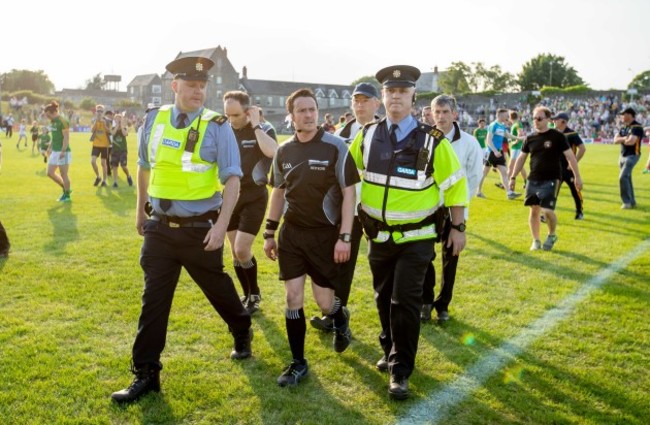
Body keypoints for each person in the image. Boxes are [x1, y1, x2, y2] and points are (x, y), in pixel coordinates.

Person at [111, 56, 252, 404]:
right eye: (191, 86)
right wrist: (141, 210)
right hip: (159, 229)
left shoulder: (217, 125)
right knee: (153, 301)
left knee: (217, 288)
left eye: (203, 86)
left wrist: (221, 227)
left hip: (200, 230)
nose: (198, 92)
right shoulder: (153, 119)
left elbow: (233, 180)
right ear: (174, 86)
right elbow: (144, 168)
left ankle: (241, 327)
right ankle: (146, 374)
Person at [349, 65, 467, 400]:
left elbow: (455, 187)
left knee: (404, 302)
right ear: (382, 97)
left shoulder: (432, 141)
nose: (396, 97)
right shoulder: (368, 135)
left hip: (416, 239)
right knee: (383, 299)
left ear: (414, 97)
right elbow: (347, 178)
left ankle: (400, 372)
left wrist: (457, 227)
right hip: (379, 237)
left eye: (403, 92)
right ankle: (389, 350)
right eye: (390, 92)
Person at [263, 88, 358, 387]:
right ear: (290, 117)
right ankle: (297, 363)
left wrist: (344, 236)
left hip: (324, 236)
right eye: (302, 110)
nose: (308, 114)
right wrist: (269, 232)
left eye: (312, 109)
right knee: (292, 297)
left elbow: (349, 193)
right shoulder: (283, 151)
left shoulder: (335, 147)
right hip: (292, 234)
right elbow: (277, 193)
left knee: (324, 302)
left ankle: (339, 319)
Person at [311, 82, 382, 332]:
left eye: (365, 100)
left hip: (378, 211)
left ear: (377, 103)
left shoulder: (386, 133)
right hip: (347, 210)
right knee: (340, 264)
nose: (360, 105)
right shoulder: (340, 134)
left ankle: (397, 313)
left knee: (384, 266)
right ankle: (336, 314)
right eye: (356, 100)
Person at [421, 95, 483, 323]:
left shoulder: (469, 143)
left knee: (451, 257)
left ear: (454, 114)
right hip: (427, 210)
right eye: (437, 112)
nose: (440, 117)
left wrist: (460, 218)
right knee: (424, 256)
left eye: (445, 112)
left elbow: (473, 180)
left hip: (452, 212)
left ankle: (443, 304)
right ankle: (426, 302)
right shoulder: (425, 140)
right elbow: (420, 173)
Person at [223, 90, 278, 314]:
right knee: (235, 254)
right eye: (227, 115)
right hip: (229, 196)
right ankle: (247, 296)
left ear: (248, 111)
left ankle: (254, 293)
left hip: (254, 197)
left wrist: (255, 126)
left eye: (235, 115)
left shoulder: (264, 129)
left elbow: (274, 152)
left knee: (242, 249)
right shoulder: (225, 129)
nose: (231, 120)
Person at [509, 106, 582, 251]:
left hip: (552, 179)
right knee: (534, 210)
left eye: (539, 118)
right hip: (533, 179)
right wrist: (513, 177)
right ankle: (536, 240)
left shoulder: (557, 136)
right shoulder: (530, 138)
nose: (536, 121)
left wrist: (577, 177)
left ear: (548, 119)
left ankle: (552, 234)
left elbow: (570, 157)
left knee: (547, 210)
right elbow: (521, 158)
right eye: (534, 118)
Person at [476, 108, 524, 200]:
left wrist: (520, 138)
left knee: (504, 172)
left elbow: (508, 135)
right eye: (506, 115)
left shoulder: (502, 126)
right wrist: (495, 151)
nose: (507, 117)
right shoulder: (493, 125)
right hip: (491, 153)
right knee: (484, 173)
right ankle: (478, 192)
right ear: (500, 115)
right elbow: (488, 140)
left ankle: (509, 193)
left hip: (499, 152)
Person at [552, 112, 586, 219]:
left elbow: (582, 148)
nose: (553, 121)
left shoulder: (572, 134)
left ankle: (579, 211)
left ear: (563, 121)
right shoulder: (553, 133)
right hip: (556, 168)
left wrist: (574, 162)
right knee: (553, 192)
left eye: (556, 119)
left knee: (575, 191)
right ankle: (548, 214)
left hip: (569, 169)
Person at [613, 107, 643, 209]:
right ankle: (632, 201)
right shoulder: (624, 127)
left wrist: (623, 139)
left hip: (632, 155)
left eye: (623, 114)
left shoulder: (637, 127)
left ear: (630, 115)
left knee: (623, 177)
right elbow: (615, 140)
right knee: (627, 178)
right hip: (622, 155)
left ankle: (626, 202)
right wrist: (624, 138)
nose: (622, 116)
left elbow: (631, 141)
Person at [43, 101, 72, 202]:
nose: (47, 117)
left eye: (47, 115)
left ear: (53, 112)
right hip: (55, 151)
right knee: (50, 173)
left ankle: (67, 195)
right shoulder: (53, 122)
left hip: (63, 151)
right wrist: (49, 147)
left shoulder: (63, 121)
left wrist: (63, 151)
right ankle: (65, 188)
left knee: (63, 174)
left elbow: (66, 137)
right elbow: (54, 136)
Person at [109, 112, 133, 187]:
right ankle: (115, 182)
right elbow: (112, 133)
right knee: (115, 166)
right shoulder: (113, 128)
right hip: (115, 150)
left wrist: (122, 126)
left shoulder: (124, 128)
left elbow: (125, 134)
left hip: (123, 150)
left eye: (119, 120)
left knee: (123, 166)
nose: (118, 121)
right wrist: (116, 126)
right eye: (116, 120)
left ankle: (128, 176)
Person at [90, 105, 111, 186]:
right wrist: (96, 122)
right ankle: (98, 177)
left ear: (103, 112)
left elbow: (110, 131)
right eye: (98, 111)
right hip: (96, 144)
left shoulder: (107, 121)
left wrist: (104, 124)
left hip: (104, 145)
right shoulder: (94, 120)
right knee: (92, 161)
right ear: (96, 112)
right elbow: (92, 130)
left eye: (101, 111)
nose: (99, 112)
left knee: (103, 163)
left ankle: (104, 180)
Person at [507, 111, 528, 190]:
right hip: (515, 148)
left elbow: (521, 134)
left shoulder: (517, 124)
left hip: (516, 148)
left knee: (511, 166)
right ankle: (527, 182)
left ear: (510, 117)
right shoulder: (515, 124)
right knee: (520, 166)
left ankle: (506, 183)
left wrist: (515, 142)